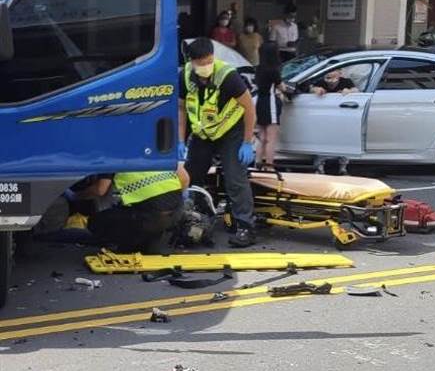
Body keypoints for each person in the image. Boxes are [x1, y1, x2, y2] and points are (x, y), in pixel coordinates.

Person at [179, 37, 257, 246]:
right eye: (201, 63)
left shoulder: (228, 76)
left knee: (235, 177)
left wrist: (247, 142)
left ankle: (246, 227)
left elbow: (249, 108)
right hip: (204, 133)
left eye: (209, 61)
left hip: (231, 132)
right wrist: (180, 140)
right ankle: (190, 220)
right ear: (191, 61)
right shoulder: (185, 75)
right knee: (190, 175)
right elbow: (181, 109)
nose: (205, 66)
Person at [86, 164, 188, 254]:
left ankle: (124, 244)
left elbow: (100, 190)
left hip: (151, 219)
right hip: (177, 211)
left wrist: (75, 195)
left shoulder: (113, 157)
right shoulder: (154, 151)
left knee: (95, 222)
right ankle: (152, 239)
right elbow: (185, 178)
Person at [310, 69, 356, 175]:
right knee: (321, 140)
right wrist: (315, 90)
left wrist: (349, 91)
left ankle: (343, 167)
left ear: (340, 74)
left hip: (342, 116)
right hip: (324, 117)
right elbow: (311, 88)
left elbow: (356, 90)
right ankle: (320, 166)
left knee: (344, 140)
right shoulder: (320, 82)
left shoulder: (346, 82)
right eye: (328, 77)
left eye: (334, 77)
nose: (331, 81)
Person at [255, 42, 289, 169]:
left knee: (262, 137)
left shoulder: (258, 68)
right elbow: (282, 86)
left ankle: (257, 163)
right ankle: (269, 165)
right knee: (271, 138)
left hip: (260, 102)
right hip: (270, 103)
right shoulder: (273, 70)